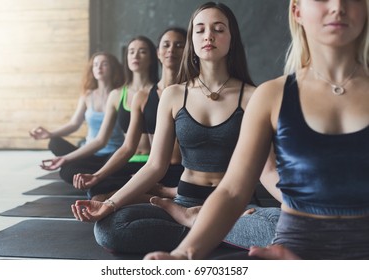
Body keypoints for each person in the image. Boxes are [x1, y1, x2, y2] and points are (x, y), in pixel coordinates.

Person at [145, 0, 369, 260]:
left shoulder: (250, 94)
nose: (338, 6)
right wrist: (184, 254)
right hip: (291, 248)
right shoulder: (271, 95)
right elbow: (232, 190)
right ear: (297, 10)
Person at [71, 2, 281, 254]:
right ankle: (216, 232)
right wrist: (111, 204)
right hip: (184, 201)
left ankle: (197, 225)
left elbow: (267, 170)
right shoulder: (173, 95)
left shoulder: (253, 96)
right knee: (110, 228)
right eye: (200, 30)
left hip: (238, 205)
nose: (209, 36)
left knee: (283, 226)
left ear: (232, 38)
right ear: (192, 40)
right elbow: (155, 165)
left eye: (218, 29)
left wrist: (309, 211)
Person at [73, 27, 187, 201]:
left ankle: (161, 195)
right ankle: (152, 195)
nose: (171, 50)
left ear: (188, 51)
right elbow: (128, 147)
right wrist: (98, 175)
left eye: (179, 45)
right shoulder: (143, 97)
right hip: (153, 169)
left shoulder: (194, 93)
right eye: (166, 45)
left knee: (107, 201)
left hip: (183, 173)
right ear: (158, 53)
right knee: (97, 192)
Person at [29, 52, 125, 184]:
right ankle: (98, 174)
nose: (99, 68)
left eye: (104, 64)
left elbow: (103, 140)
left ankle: (102, 174)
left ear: (113, 68)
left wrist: (66, 159)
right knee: (55, 144)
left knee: (68, 170)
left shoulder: (120, 95)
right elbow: (74, 123)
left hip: (112, 154)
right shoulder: (88, 95)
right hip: (88, 152)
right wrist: (50, 133)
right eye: (95, 65)